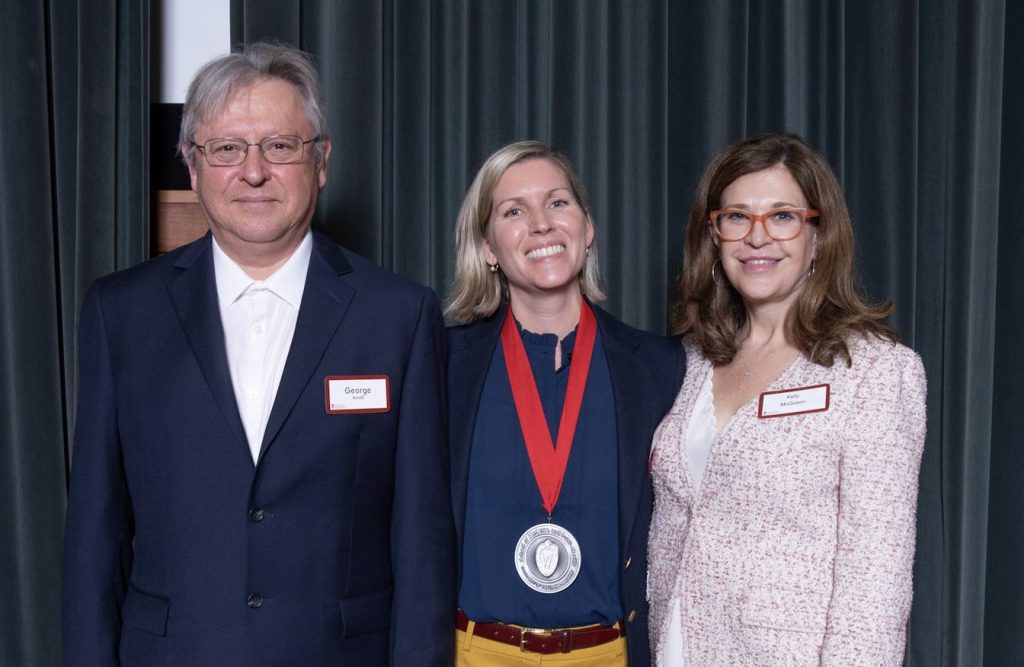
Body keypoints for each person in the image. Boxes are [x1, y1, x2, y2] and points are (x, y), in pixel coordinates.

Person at [61, 42, 454, 665]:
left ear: (321, 161)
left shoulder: (397, 316)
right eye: (227, 149)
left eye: (279, 146)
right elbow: (93, 540)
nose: (253, 171)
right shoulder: (121, 315)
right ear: (192, 167)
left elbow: (422, 543)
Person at [647, 132, 927, 665]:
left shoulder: (873, 373)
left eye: (782, 216)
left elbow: (877, 580)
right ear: (714, 236)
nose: (757, 237)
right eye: (736, 217)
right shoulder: (686, 364)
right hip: (674, 648)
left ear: (819, 237)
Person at [445, 140, 684, 666]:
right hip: (476, 653)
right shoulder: (442, 368)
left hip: (608, 654)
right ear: (487, 247)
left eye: (557, 203)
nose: (541, 224)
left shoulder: (661, 369)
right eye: (513, 211)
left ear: (587, 226)